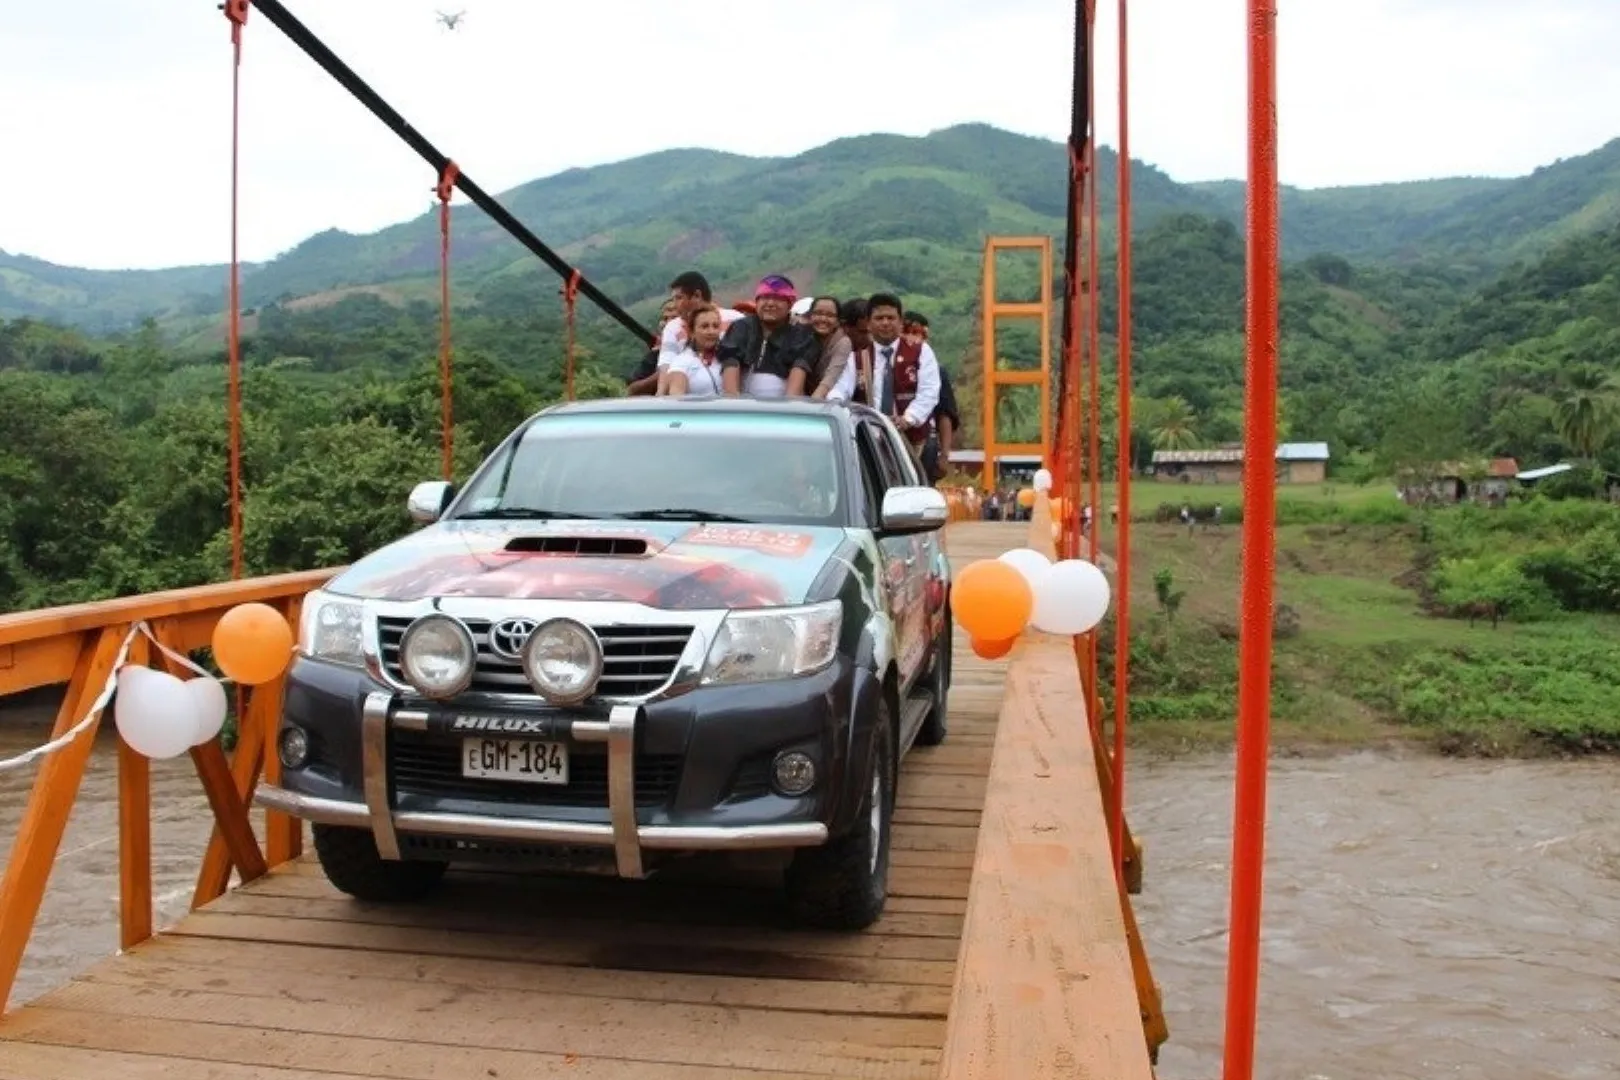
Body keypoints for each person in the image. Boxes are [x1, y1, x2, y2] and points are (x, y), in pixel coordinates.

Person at [826, 292, 940, 462]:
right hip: (872, 444)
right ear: (869, 324)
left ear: (900, 322)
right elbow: (839, 392)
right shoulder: (856, 359)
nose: (885, 323)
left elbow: (929, 392)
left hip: (915, 442)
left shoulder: (921, 351)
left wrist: (908, 419)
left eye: (891, 318)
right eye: (879, 318)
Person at [718, 274, 822, 398]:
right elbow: (730, 362)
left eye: (778, 298)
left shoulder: (801, 334)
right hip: (741, 405)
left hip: (782, 409)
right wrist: (732, 403)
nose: (770, 303)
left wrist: (790, 406)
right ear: (757, 301)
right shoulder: (740, 327)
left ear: (789, 305)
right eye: (765, 297)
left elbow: (799, 369)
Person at [656, 271, 742, 394]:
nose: (675, 304)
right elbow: (666, 366)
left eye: (679, 298)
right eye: (704, 326)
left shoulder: (736, 320)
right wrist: (661, 397)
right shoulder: (672, 328)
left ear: (697, 295)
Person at [660, 303, 726, 395]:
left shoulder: (727, 357)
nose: (711, 331)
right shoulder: (681, 362)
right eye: (705, 326)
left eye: (715, 326)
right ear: (692, 332)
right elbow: (676, 401)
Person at [625, 298, 679, 396]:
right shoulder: (656, 354)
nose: (668, 323)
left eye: (674, 318)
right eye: (665, 318)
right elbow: (632, 390)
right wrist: (661, 374)